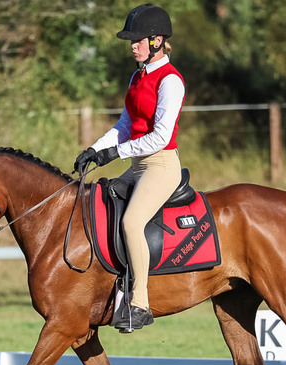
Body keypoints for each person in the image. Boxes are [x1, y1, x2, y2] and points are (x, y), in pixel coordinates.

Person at [74, 3, 185, 331]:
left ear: (157, 40)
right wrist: (96, 149)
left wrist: (115, 153)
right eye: (131, 41)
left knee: (133, 222)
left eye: (138, 40)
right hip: (138, 164)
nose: (132, 45)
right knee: (100, 207)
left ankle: (139, 303)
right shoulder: (138, 76)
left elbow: (160, 137)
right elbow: (126, 123)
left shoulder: (171, 81)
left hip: (161, 165)